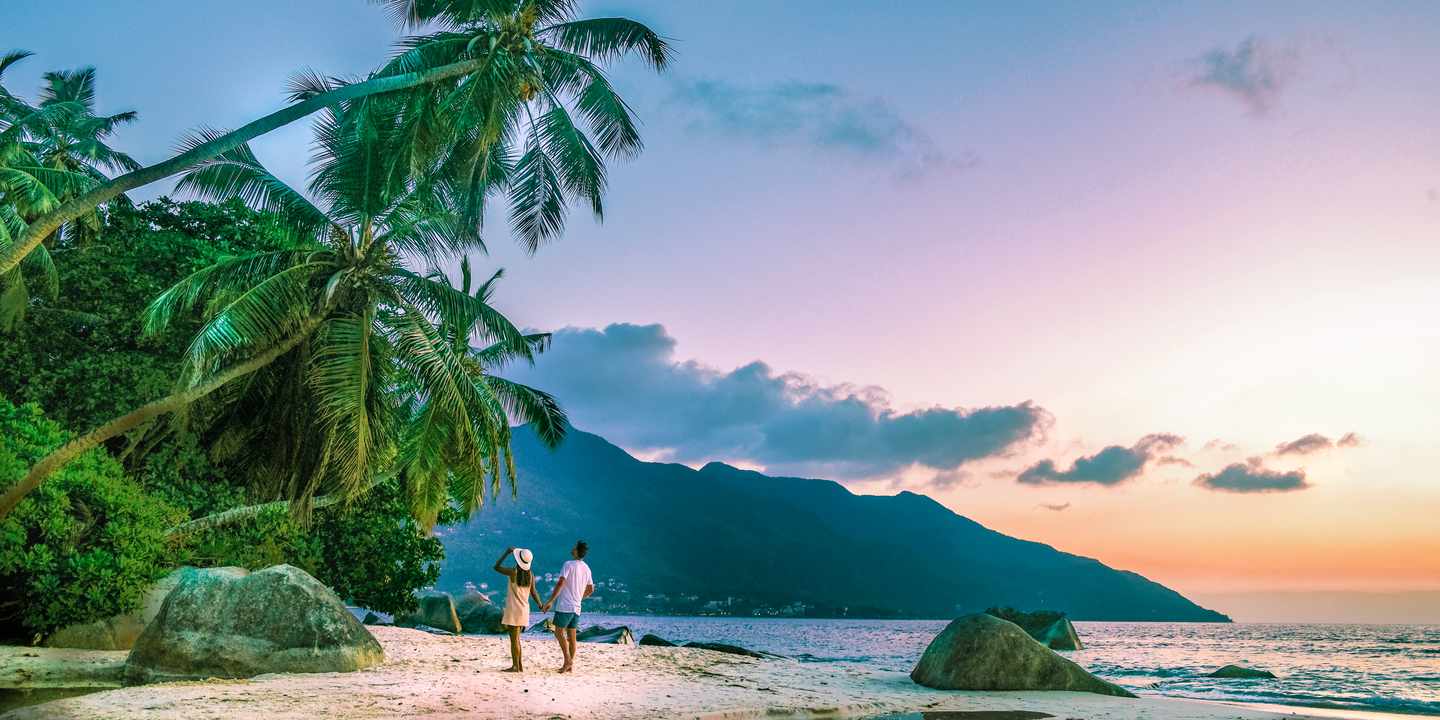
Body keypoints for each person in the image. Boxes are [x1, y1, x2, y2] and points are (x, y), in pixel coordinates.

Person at [540, 540, 593, 673]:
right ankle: (570, 664)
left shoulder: (568, 564)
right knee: (572, 636)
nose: (572, 548)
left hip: (565, 605)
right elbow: (591, 589)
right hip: (577, 607)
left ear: (577, 551)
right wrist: (580, 597)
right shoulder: (586, 568)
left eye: (574, 547)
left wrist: (550, 601)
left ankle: (568, 661)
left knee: (558, 633)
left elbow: (560, 583)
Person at [493, 546, 542, 672]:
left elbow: (496, 567)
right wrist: (540, 605)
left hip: (513, 609)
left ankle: (515, 666)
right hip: (524, 610)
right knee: (517, 639)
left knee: (514, 640)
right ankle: (519, 666)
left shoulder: (513, 572)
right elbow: (534, 592)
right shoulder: (530, 574)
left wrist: (506, 553)